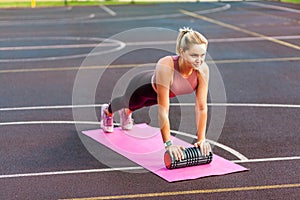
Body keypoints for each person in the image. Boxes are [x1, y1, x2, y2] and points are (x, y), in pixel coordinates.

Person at [100, 27, 211, 161]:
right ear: (182, 52)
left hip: (160, 96)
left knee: (138, 106)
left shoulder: (202, 70)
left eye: (202, 55)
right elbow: (164, 110)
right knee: (128, 102)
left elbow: (201, 107)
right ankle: (107, 111)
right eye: (194, 55)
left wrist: (201, 139)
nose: (199, 60)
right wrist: (168, 144)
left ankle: (127, 112)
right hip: (141, 88)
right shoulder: (167, 65)